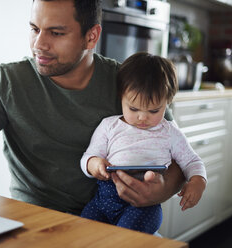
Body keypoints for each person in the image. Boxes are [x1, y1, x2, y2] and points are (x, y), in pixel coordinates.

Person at [0, 0, 185, 216]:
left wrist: (160, 190)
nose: (39, 44)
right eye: (34, 29)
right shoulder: (8, 81)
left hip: (112, 219)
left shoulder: (127, 83)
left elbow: (180, 159)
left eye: (56, 33)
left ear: (91, 36)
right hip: (32, 219)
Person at [80, 52, 207, 233]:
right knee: (82, 232)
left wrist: (198, 181)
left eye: (154, 110)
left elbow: (192, 161)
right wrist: (94, 164)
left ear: (167, 102)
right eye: (133, 108)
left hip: (143, 208)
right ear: (121, 96)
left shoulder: (170, 133)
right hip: (103, 202)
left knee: (125, 239)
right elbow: (88, 157)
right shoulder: (109, 126)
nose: (142, 117)